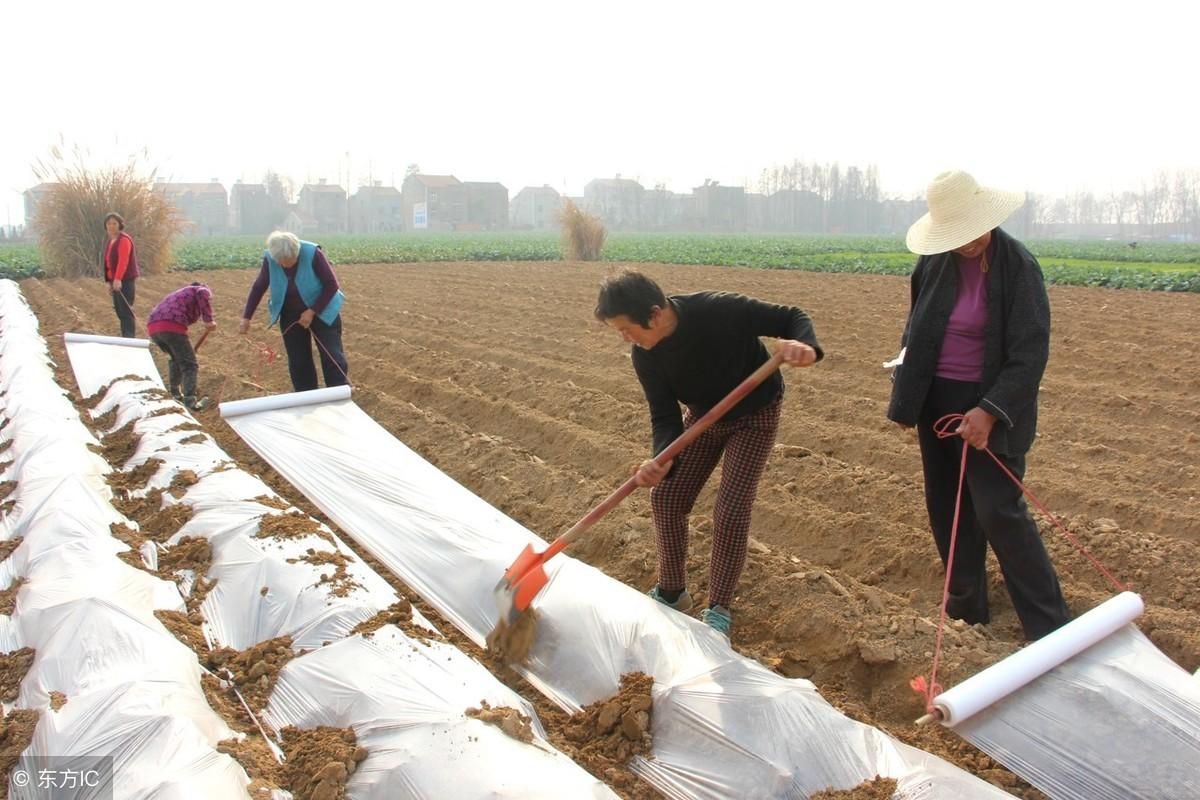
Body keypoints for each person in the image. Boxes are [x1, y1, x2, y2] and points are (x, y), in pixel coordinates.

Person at [887, 170, 1071, 641]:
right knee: (947, 506)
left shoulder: (1018, 266)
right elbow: (917, 329)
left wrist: (989, 410)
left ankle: (1049, 624)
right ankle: (967, 613)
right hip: (938, 401)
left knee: (997, 509)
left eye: (971, 233)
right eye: (955, 236)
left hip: (991, 402)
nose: (965, 244)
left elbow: (1030, 352)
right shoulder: (934, 262)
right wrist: (908, 395)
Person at [595, 271, 822, 638]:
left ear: (654, 314)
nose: (625, 338)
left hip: (755, 415)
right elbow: (664, 415)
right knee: (667, 496)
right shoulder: (645, 356)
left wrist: (805, 346)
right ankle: (672, 592)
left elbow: (791, 317)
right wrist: (662, 458)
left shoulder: (719, 310)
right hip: (702, 416)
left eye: (626, 328)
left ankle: (718, 608)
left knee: (730, 510)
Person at [237, 231, 348, 392]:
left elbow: (331, 285)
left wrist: (312, 311)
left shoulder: (312, 252)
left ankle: (337, 394)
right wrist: (246, 318)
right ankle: (306, 397)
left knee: (332, 355)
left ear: (297, 252)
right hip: (290, 313)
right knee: (298, 360)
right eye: (281, 262)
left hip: (323, 309)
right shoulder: (271, 258)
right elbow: (259, 286)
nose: (285, 265)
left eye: (289, 260)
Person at [147, 282, 217, 411]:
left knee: (175, 359)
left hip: (153, 328)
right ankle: (190, 402)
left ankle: (174, 393)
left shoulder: (180, 295)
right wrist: (209, 320)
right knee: (190, 365)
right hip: (171, 326)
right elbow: (202, 293)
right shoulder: (200, 290)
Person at [103, 212, 139, 338]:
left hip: (126, 280)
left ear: (120, 225)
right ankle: (126, 337)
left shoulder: (124, 240)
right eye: (109, 224)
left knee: (126, 311)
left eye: (114, 223)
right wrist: (110, 282)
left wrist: (118, 279)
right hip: (115, 281)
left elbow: (123, 261)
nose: (111, 226)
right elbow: (108, 262)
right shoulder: (111, 241)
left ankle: (129, 338)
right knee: (119, 311)